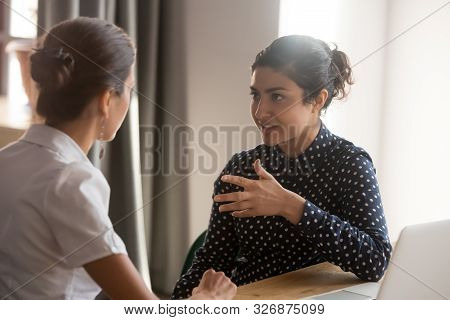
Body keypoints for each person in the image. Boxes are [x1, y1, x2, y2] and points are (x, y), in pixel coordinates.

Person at [0, 17, 236, 300]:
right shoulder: (72, 183)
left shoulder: (7, 159)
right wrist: (208, 298)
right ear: (106, 99)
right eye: (129, 88)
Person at [172, 35, 392, 299]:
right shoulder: (241, 169)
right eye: (255, 95)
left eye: (277, 96)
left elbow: (376, 260)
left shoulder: (349, 164)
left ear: (318, 100)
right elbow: (212, 262)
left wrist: (292, 206)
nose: (260, 111)